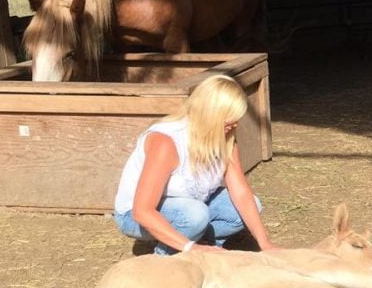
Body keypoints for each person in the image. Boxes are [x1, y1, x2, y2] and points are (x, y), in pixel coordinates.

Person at [113, 74, 278, 256]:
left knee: (249, 206)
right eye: (227, 118)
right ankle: (167, 257)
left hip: (191, 206)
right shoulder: (167, 142)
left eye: (236, 118)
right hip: (136, 215)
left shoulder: (226, 139)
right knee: (195, 216)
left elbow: (241, 194)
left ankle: (204, 245)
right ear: (209, 113)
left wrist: (265, 243)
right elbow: (142, 211)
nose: (234, 124)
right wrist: (190, 248)